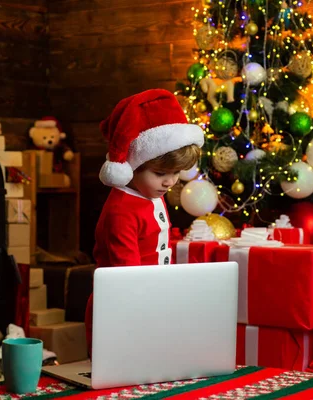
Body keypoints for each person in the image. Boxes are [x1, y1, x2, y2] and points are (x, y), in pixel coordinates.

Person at [85, 89, 205, 355]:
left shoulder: (151, 193)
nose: (170, 182)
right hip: (123, 306)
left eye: (176, 173)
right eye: (161, 173)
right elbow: (127, 274)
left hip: (151, 300)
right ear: (133, 166)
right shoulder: (122, 211)